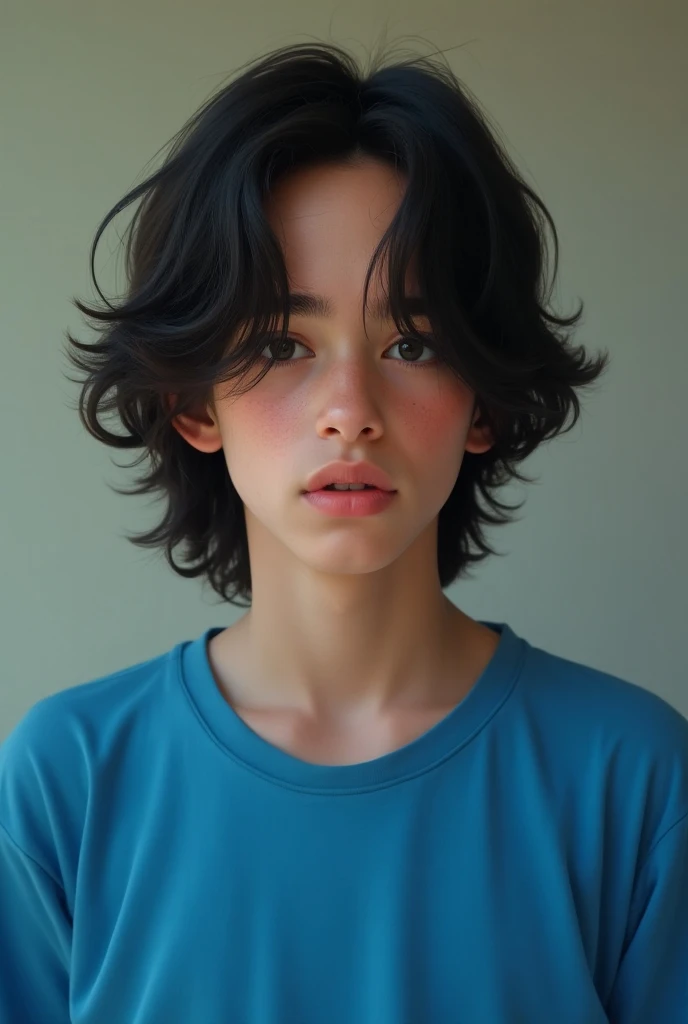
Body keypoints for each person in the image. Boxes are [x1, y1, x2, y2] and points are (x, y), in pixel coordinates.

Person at [1, 39, 686, 1024]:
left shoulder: (632, 780)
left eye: (412, 342)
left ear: (481, 400)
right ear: (195, 403)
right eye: (282, 344)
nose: (349, 410)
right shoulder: (69, 780)